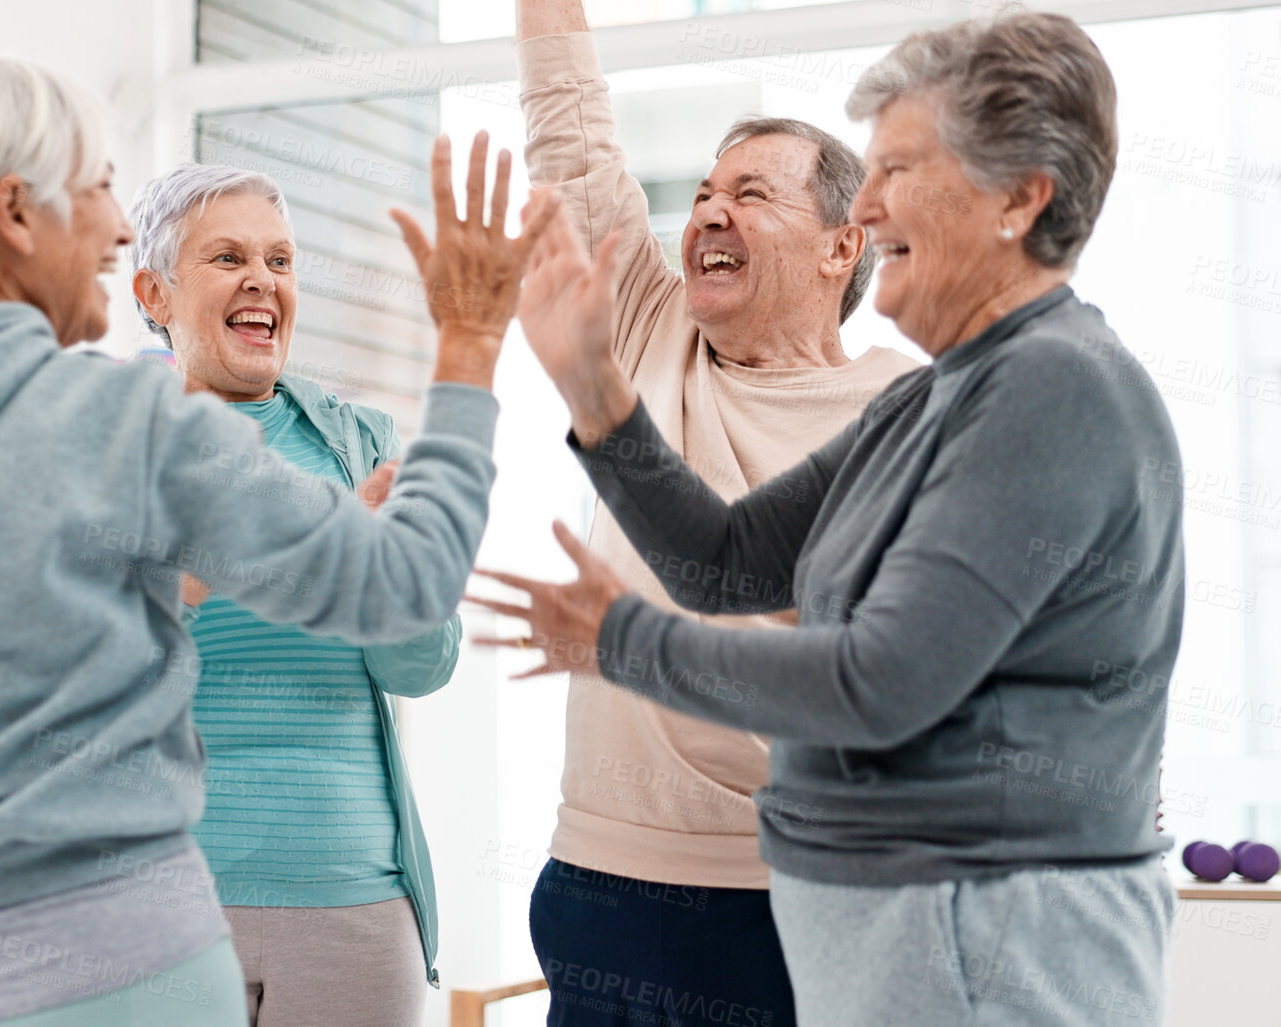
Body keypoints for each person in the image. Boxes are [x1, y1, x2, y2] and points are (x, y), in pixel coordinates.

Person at [0, 56, 557, 1027]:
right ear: (16, 212)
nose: (113, 226)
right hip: (126, 969)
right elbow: (411, 578)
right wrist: (472, 338)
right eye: (99, 188)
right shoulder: (126, 426)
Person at [488, 13, 1181, 1027]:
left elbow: (880, 684)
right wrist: (596, 390)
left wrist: (619, 638)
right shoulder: (940, 399)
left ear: (1019, 198)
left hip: (987, 950)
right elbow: (725, 564)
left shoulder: (1051, 389)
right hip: (881, 938)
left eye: (900, 167)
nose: (868, 198)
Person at [511, 2, 918, 1022]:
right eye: (699, 195)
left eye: (750, 192)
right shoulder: (654, 328)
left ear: (841, 247)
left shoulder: (902, 406)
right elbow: (572, 142)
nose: (707, 213)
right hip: (599, 878)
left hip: (793, 897)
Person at [129, 163, 457, 1024]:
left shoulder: (360, 444)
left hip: (351, 897)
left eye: (279, 260)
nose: (261, 281)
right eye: (227, 257)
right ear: (153, 292)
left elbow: (420, 667)